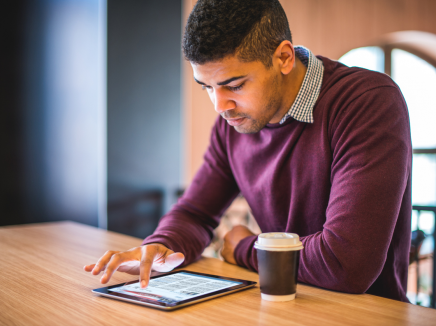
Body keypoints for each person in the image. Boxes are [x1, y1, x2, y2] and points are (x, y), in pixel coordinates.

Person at [84, 0, 412, 302]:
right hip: (277, 307)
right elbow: (194, 214)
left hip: (364, 314)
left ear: (283, 57)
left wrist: (244, 247)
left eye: (235, 85)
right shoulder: (234, 123)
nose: (220, 106)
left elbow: (345, 263)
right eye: (207, 87)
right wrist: (161, 244)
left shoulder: (367, 102)